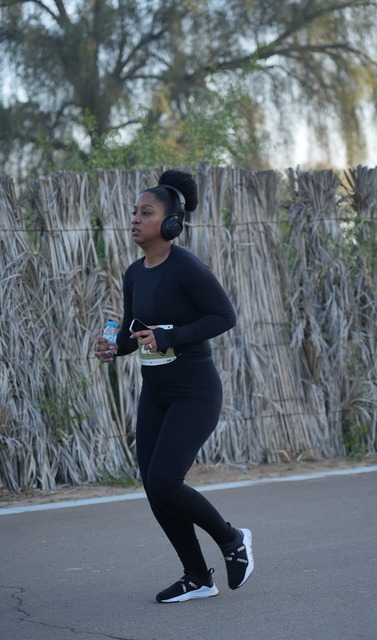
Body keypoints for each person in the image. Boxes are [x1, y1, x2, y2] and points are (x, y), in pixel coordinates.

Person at [94, 169, 254, 603]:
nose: (135, 219)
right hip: (156, 393)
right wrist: (116, 347)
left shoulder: (186, 267)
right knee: (154, 487)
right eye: (134, 212)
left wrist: (171, 335)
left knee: (166, 482)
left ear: (171, 223)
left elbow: (224, 317)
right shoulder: (134, 273)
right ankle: (197, 577)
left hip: (194, 392)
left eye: (146, 213)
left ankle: (232, 539)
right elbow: (134, 331)